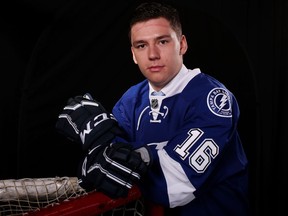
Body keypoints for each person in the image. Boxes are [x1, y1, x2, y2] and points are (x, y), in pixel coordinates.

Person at [56, 2, 249, 216]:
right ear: (133, 54)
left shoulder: (213, 99)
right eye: (141, 45)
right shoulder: (131, 100)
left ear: (182, 45)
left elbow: (174, 186)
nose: (152, 54)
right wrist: (98, 143)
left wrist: (110, 155)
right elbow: (111, 163)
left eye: (163, 41)